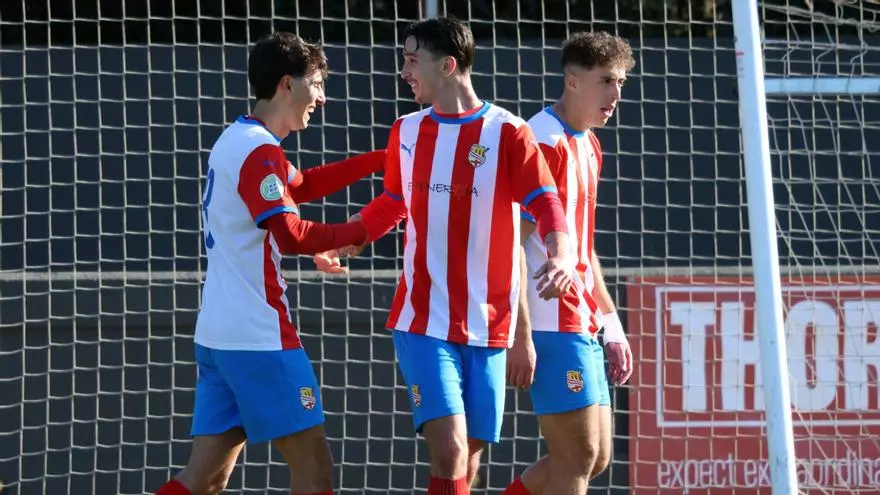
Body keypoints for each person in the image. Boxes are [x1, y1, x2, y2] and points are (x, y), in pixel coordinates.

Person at [318, 16, 574, 495]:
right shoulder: (406, 130)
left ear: (448, 65)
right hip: (423, 318)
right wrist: (347, 236)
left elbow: (547, 204)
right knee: (451, 449)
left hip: (489, 323)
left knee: (467, 459)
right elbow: (392, 202)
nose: (404, 71)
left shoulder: (509, 132)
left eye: (412, 61)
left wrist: (560, 256)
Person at [154, 32, 386, 495]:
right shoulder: (257, 150)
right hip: (258, 337)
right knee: (316, 473)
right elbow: (291, 234)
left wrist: (382, 159)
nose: (322, 97)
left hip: (218, 335)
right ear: (286, 84)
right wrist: (359, 232)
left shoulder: (239, 139)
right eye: (316, 83)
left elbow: (302, 186)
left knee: (204, 479)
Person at [501, 31, 636, 495]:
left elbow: (581, 247)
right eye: (606, 81)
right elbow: (510, 243)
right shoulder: (542, 141)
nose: (616, 95)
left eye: (621, 82)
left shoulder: (589, 145)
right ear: (573, 81)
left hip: (582, 320)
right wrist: (520, 334)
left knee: (595, 458)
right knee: (576, 457)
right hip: (547, 321)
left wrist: (611, 325)